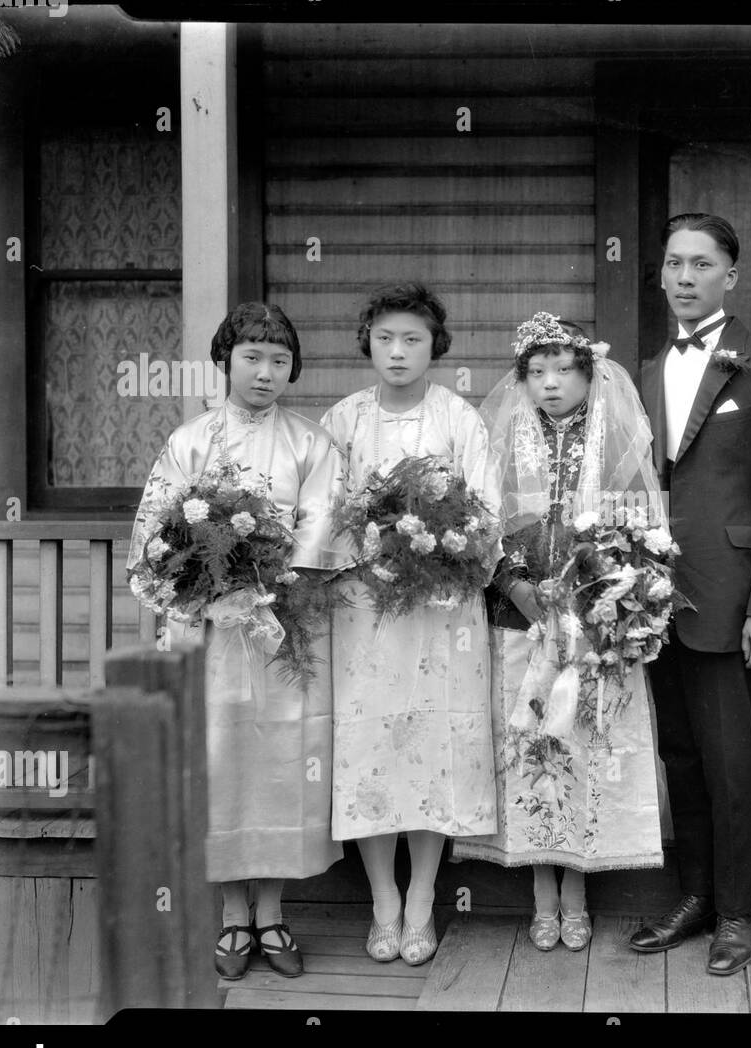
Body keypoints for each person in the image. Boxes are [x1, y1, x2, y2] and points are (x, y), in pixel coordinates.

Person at [128, 302, 350, 981]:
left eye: (279, 360)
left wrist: (269, 581)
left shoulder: (312, 444)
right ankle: (231, 915)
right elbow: (157, 532)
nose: (265, 372)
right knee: (220, 755)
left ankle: (274, 911)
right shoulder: (190, 442)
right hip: (209, 627)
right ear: (225, 360)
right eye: (252, 357)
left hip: (283, 628)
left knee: (285, 756)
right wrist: (207, 581)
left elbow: (322, 524)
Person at [629, 213, 751, 976]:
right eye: (673, 263)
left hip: (733, 600)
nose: (682, 278)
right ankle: (695, 896)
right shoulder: (643, 372)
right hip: (649, 599)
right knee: (680, 755)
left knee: (733, 763)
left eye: (700, 265)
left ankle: (740, 911)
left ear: (730, 276)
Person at [451, 313, 665, 951]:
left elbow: (641, 530)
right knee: (533, 751)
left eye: (565, 370)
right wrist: (520, 587)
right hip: (521, 621)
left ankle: (578, 893)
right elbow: (481, 521)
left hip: (595, 629)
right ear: (522, 379)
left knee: (585, 752)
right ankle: (542, 895)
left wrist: (599, 599)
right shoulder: (498, 438)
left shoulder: (615, 439)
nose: (550, 383)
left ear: (589, 374)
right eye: (537, 371)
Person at [322, 281, 501, 966]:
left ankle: (423, 899)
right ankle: (382, 903)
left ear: (436, 346)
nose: (398, 352)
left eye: (414, 339)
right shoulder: (342, 421)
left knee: (432, 746)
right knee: (371, 747)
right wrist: (371, 549)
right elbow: (325, 515)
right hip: (367, 609)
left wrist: (441, 544)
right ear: (367, 339)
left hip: (440, 610)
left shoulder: (459, 419)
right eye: (386, 337)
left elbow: (484, 513)